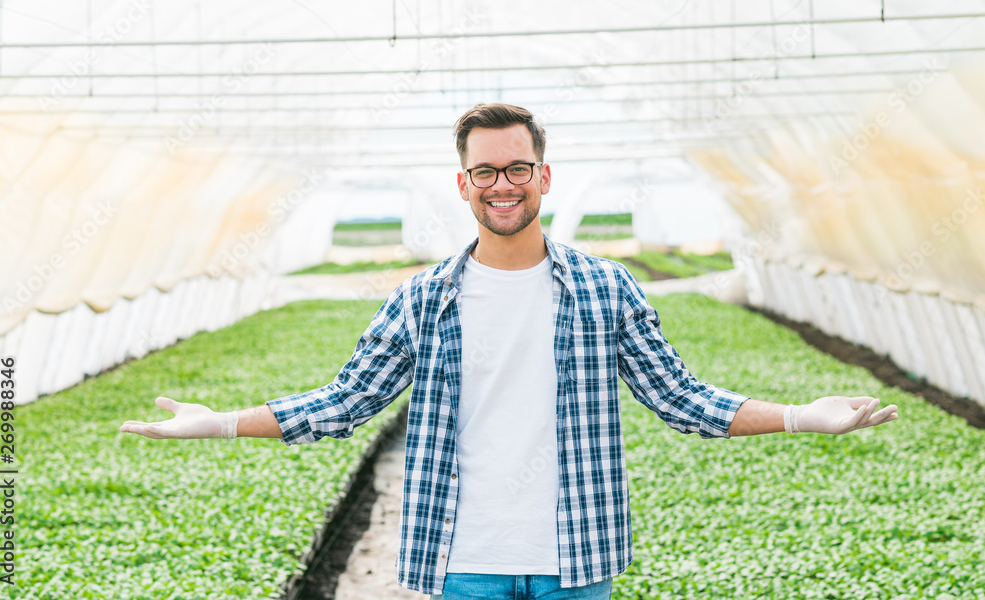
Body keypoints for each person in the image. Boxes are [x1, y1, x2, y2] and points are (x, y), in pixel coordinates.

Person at [120, 103, 900, 600]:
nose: (503, 184)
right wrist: (220, 424)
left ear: (544, 176)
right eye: (484, 171)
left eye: (517, 168)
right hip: (462, 560)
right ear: (463, 185)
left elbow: (683, 400)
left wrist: (802, 416)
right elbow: (341, 403)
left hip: (577, 558)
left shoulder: (606, 289)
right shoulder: (424, 300)